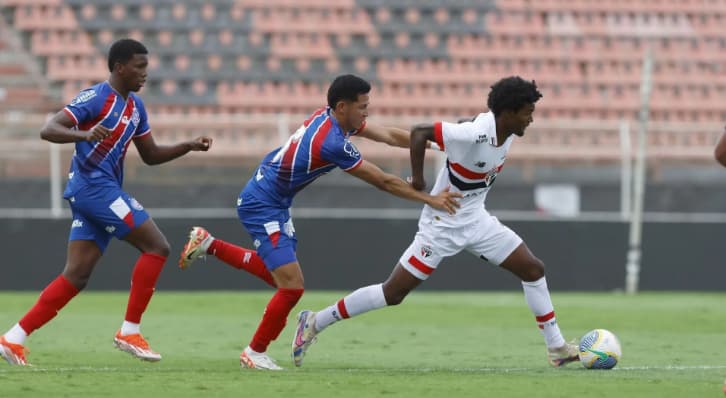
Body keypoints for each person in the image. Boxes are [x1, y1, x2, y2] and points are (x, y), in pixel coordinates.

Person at [291, 76, 580, 368]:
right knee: (392, 293)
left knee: (532, 269)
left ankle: (557, 348)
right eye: (527, 112)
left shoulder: (502, 133)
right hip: (442, 224)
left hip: (477, 220)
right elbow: (419, 132)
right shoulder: (477, 132)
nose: (531, 119)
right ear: (508, 113)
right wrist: (418, 180)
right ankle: (316, 321)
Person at [178, 74, 462, 370]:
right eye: (363, 106)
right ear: (342, 106)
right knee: (292, 287)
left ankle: (209, 244)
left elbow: (390, 136)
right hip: (262, 205)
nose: (367, 112)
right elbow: (382, 180)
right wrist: (430, 199)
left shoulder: (329, 117)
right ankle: (254, 351)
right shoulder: (332, 143)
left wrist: (437, 145)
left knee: (281, 278)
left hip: (272, 199)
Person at [0, 38, 213, 366]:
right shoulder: (97, 97)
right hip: (94, 189)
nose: (145, 74)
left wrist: (188, 145)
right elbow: (49, 128)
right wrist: (84, 135)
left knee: (76, 275)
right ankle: (129, 331)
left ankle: (13, 338)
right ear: (119, 67)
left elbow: (151, 155)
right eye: (139, 67)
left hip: (98, 192)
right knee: (157, 246)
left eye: (146, 67)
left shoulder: (136, 107)